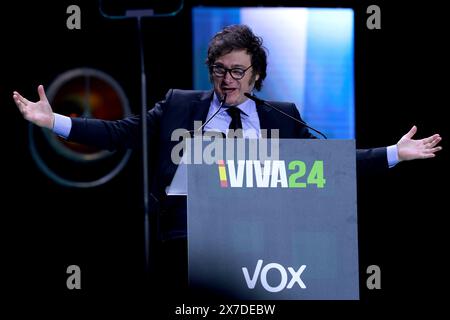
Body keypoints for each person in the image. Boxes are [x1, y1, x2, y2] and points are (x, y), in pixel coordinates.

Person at [12, 24, 442, 297]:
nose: (227, 80)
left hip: (264, 245)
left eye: (238, 71)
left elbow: (327, 163)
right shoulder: (181, 106)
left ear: (256, 74)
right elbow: (122, 133)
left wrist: (392, 154)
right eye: (219, 69)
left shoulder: (281, 114)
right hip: (187, 239)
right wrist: (55, 122)